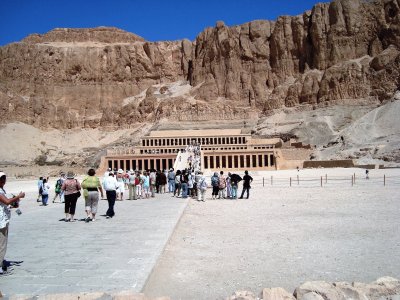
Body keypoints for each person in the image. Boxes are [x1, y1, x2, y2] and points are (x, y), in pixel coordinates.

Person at [0, 172, 25, 275]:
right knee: (2, 245)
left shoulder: (2, 190)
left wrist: (13, 204)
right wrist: (18, 196)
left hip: (3, 219)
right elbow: (6, 201)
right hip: (1, 222)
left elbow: (4, 204)